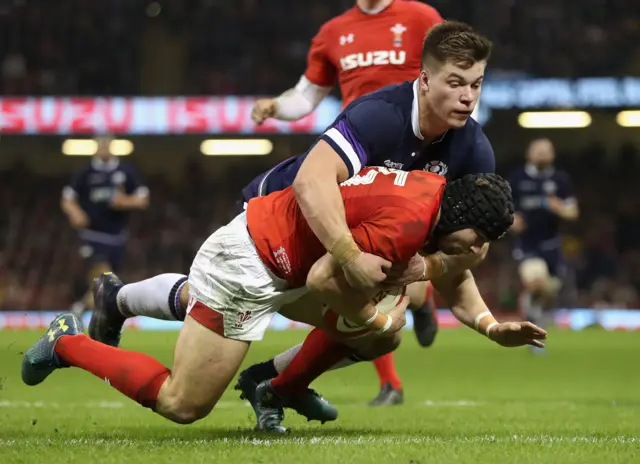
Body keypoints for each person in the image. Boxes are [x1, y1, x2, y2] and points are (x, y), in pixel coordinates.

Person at [86, 20, 495, 430]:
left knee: (379, 323)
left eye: (475, 85)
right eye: (457, 83)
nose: (468, 97)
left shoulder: (472, 148)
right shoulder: (379, 113)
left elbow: (471, 237)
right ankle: (125, 306)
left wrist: (466, 303)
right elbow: (311, 181)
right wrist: (352, 258)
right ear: (424, 79)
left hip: (338, 237)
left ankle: (269, 380)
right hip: (280, 209)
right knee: (236, 302)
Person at [23, 167, 545, 428]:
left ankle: (271, 386)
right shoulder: (409, 224)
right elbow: (324, 279)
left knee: (380, 324)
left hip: (282, 252)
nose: (479, 249)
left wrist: (491, 326)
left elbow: (451, 272)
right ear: (463, 220)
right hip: (251, 265)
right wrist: (374, 318)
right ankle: (66, 341)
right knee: (184, 405)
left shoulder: (432, 197)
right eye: (480, 238)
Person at [251, 0, 444, 405]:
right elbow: (306, 97)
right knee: (356, 270)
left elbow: (448, 71)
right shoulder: (333, 31)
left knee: (392, 263)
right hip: (357, 155)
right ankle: (390, 376)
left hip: (412, 153)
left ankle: (424, 301)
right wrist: (276, 107)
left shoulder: (420, 18)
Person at [60, 135, 149, 317]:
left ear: (111, 146)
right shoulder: (86, 172)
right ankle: (88, 311)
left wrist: (125, 201)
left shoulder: (126, 171)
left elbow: (143, 200)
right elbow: (67, 199)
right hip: (92, 235)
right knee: (102, 272)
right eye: (100, 145)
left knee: (105, 282)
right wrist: (75, 212)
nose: (103, 148)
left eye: (106, 144)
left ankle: (81, 307)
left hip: (117, 238)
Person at [508, 138, 579, 349]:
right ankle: (531, 322)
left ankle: (534, 315)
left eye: (546, 150)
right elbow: (504, 209)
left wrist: (559, 208)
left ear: (553, 155)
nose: (541, 154)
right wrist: (510, 220)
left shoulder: (561, 180)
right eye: (537, 150)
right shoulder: (517, 178)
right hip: (528, 243)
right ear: (528, 154)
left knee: (549, 292)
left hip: (552, 245)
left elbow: (573, 212)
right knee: (536, 283)